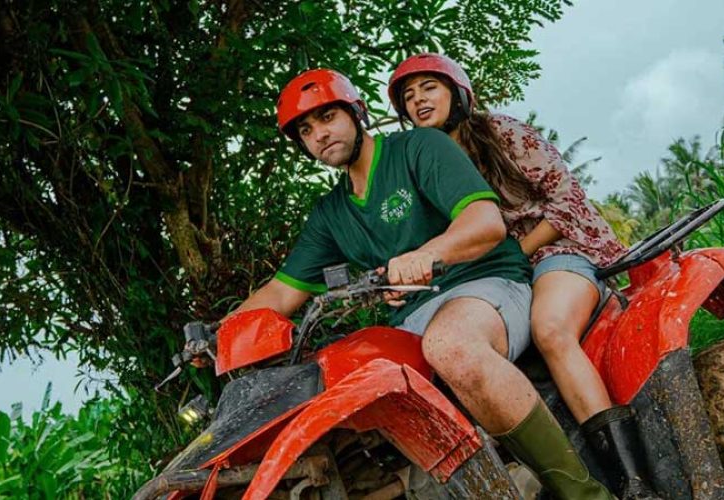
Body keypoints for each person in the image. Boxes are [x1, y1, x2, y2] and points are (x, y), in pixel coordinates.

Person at [235, 68, 613, 499]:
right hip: (410, 318)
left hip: (484, 285)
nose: (319, 134)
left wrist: (428, 254)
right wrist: (223, 335)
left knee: (451, 345)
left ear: (356, 114)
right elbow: (283, 292)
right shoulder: (330, 213)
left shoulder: (419, 147)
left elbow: (485, 223)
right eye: (306, 130)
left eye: (327, 118)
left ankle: (587, 495)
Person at [388, 53, 660, 500]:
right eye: (408, 97)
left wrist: (518, 251)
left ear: (457, 92)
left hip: (554, 252)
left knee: (550, 329)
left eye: (428, 89)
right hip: (491, 281)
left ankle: (632, 481)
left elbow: (565, 199)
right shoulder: (419, 169)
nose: (418, 101)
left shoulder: (501, 132)